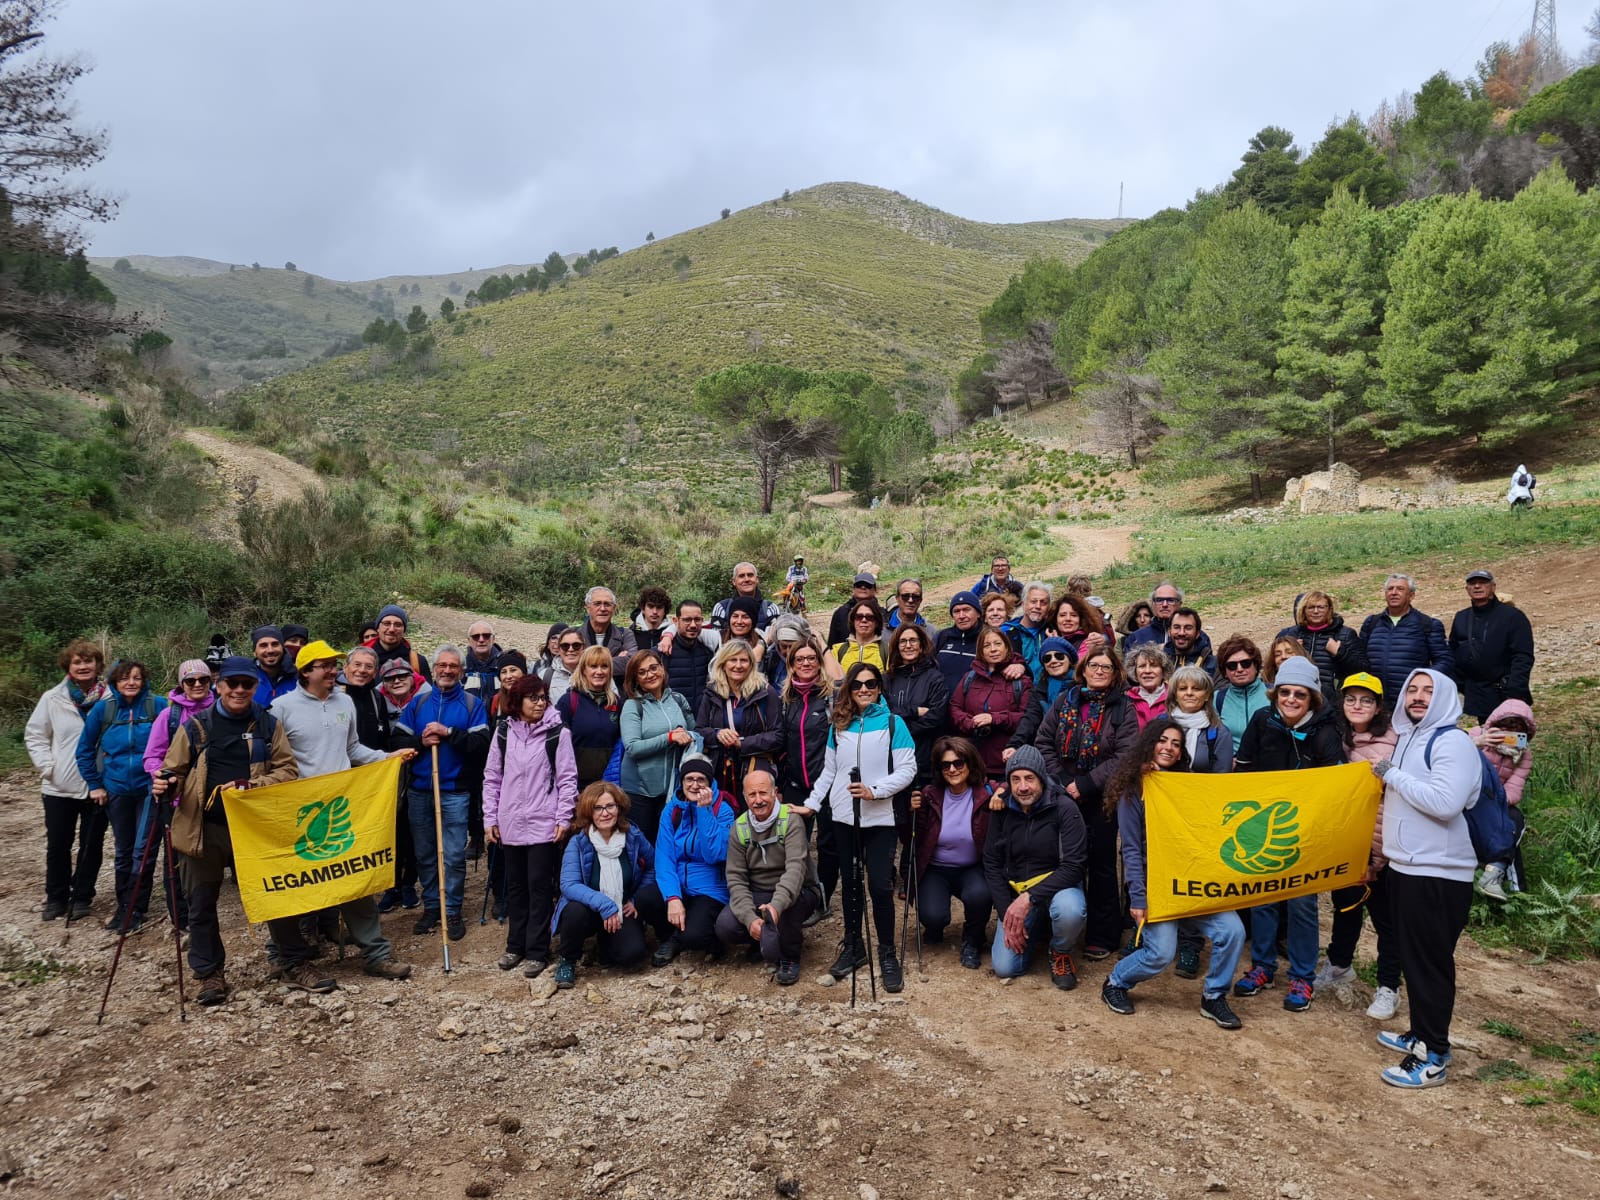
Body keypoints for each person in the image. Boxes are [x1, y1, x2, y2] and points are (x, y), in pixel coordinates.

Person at [267, 641, 414, 987]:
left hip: (342, 805)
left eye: (334, 665)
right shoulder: (281, 708)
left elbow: (352, 749)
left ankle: (376, 955)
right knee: (298, 884)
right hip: (301, 811)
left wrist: (387, 758)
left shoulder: (344, 702)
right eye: (326, 666)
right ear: (305, 671)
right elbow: (273, 759)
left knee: (355, 878)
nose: (334, 671)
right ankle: (284, 955)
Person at [155, 655, 298, 1006]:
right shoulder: (195, 727)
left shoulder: (268, 724)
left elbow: (289, 770)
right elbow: (174, 770)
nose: (238, 689)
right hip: (203, 828)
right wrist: (166, 785)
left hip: (252, 829)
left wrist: (253, 786)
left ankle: (294, 962)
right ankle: (209, 974)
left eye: (246, 684)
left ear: (254, 687)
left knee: (274, 896)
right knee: (201, 903)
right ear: (219, 686)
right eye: (231, 683)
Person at [1368, 670, 1481, 1088]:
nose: (1418, 697)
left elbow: (1446, 803)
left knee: (1430, 965)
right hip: (1408, 866)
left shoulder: (1452, 742)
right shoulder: (1412, 737)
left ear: (1446, 697)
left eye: (1428, 691)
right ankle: (1420, 1034)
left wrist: (1390, 774)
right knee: (1415, 961)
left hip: (1437, 872)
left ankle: (1433, 1056)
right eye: (1412, 690)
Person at [1100, 719, 1246, 1028]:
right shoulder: (1134, 789)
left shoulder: (1189, 786)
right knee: (1160, 954)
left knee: (1233, 931)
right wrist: (1137, 897)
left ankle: (1214, 997)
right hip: (1158, 886)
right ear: (1149, 744)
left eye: (1176, 744)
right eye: (1162, 740)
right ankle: (1116, 982)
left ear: (1182, 753)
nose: (1168, 747)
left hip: (1194, 883)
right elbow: (1131, 849)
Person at [1231, 656, 1345, 1013]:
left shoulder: (1327, 733)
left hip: (1305, 830)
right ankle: (1263, 966)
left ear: (1313, 697)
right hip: (1265, 822)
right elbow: (1244, 767)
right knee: (1262, 897)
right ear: (1275, 692)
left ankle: (1302, 975)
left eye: (1300, 693)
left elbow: (1334, 787)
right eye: (1285, 692)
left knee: (1301, 905)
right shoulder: (1263, 720)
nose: (1291, 699)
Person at [806, 662, 917, 992]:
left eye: (871, 684)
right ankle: (854, 947)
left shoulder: (894, 724)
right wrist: (812, 804)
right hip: (844, 817)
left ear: (880, 687)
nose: (864, 689)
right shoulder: (838, 725)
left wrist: (875, 791)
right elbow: (829, 772)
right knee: (851, 884)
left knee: (880, 887)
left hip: (880, 818)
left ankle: (886, 953)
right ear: (848, 690)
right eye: (857, 685)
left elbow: (908, 769)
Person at [1035, 646, 1136, 960]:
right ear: (1084, 668)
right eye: (1095, 665)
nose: (1100, 671)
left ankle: (1102, 935)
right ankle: (1055, 927)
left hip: (1102, 797)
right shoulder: (1066, 700)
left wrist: (1086, 784)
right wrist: (1064, 783)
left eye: (1107, 667)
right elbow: (1043, 742)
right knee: (1062, 859)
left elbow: (1125, 755)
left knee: (1102, 864)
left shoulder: (1123, 707)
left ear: (1115, 672)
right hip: (1063, 793)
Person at [484, 673, 578, 978]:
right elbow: (492, 778)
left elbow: (567, 779)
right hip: (510, 821)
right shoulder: (503, 732)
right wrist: (489, 817)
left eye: (543, 698)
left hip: (543, 822)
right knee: (515, 886)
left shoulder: (557, 734)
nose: (539, 704)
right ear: (518, 701)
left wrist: (563, 817)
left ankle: (537, 950)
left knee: (539, 886)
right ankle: (516, 945)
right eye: (532, 698)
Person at [1320, 672, 1402, 1018]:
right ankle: (1340, 963)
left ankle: (1389, 987)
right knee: (1346, 907)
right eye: (1351, 698)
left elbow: (1389, 799)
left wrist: (1376, 857)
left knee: (1387, 920)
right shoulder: (1342, 738)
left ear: (1379, 706)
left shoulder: (1394, 744)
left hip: (1384, 846)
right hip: (1350, 842)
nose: (1358, 705)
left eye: (1366, 700)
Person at [394, 644, 489, 942]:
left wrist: (449, 733)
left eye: (453, 666)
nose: (447, 671)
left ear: (461, 671)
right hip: (421, 790)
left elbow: (481, 745)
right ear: (433, 670)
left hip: (455, 791)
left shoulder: (473, 705)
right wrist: (422, 740)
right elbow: (398, 740)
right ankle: (432, 906)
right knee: (424, 854)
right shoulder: (417, 705)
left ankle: (452, 909)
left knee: (452, 856)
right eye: (442, 666)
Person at [982, 745, 1088, 988]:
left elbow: (1074, 866)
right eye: (1015, 779)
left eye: (1029, 778)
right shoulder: (1002, 808)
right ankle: (1035, 931)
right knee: (1004, 967)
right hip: (1015, 889)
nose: (1023, 787)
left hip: (1057, 888)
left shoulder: (1064, 807)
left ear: (1041, 778)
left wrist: (1027, 900)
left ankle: (1060, 949)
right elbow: (991, 861)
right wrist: (1006, 912)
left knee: (1070, 909)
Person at [77, 659, 168, 933]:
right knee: (123, 850)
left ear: (144, 681)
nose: (131, 683)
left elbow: (177, 742)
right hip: (116, 789)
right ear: (115, 682)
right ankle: (123, 905)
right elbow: (84, 750)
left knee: (145, 850)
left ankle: (135, 909)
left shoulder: (158, 706)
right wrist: (95, 784)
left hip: (150, 790)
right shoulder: (104, 710)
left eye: (137, 678)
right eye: (125, 678)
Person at [25, 639, 110, 922]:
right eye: (77, 662)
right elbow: (35, 734)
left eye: (88, 661)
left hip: (99, 784)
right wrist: (48, 767)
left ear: (98, 665)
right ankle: (56, 897)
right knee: (58, 844)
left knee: (91, 844)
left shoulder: (112, 697)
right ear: (68, 666)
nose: (83, 666)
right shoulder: (53, 698)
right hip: (59, 785)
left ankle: (83, 896)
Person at [717, 769, 822, 985]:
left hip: (799, 890)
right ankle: (763, 939)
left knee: (789, 908)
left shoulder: (791, 820)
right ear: (745, 798)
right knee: (725, 926)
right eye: (752, 795)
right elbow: (736, 878)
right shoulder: (739, 827)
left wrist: (775, 908)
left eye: (763, 793)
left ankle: (790, 956)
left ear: (775, 793)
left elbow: (795, 870)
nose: (758, 800)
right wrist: (750, 919)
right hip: (758, 892)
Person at [636, 752, 736, 965]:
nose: (695, 785)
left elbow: (714, 854)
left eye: (701, 779)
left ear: (710, 783)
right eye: (689, 779)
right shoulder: (672, 811)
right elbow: (664, 858)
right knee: (646, 900)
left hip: (710, 887)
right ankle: (670, 936)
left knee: (696, 936)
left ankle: (687, 937)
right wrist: (673, 897)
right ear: (682, 782)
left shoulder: (723, 810)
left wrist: (704, 811)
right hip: (679, 882)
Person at [552, 783, 655, 988]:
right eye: (598, 808)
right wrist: (604, 904)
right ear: (589, 812)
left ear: (619, 808)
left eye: (610, 806)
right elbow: (569, 884)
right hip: (590, 909)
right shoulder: (578, 842)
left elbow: (654, 867)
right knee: (573, 911)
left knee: (632, 955)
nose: (605, 813)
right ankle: (567, 960)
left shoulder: (632, 836)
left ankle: (605, 944)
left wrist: (635, 900)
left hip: (622, 906)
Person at [911, 736, 993, 968]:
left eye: (959, 763)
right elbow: (911, 839)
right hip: (936, 868)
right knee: (933, 916)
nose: (952, 769)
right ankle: (934, 927)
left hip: (971, 866)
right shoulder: (929, 794)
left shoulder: (986, 792)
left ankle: (973, 939)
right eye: (945, 765)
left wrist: (1002, 793)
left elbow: (1008, 786)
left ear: (970, 763)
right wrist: (911, 814)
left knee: (980, 895)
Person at [348, 648, 419, 914]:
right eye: (390, 678)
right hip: (368, 775)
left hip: (401, 773)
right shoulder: (358, 698)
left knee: (406, 829)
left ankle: (407, 883)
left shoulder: (419, 700)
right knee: (381, 831)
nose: (397, 681)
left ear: (413, 678)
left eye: (402, 676)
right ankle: (387, 886)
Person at [779, 637, 837, 921]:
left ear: (818, 662)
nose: (805, 663)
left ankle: (821, 902)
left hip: (825, 784)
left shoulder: (830, 697)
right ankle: (802, 894)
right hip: (793, 783)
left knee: (827, 845)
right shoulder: (786, 700)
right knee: (793, 842)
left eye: (810, 658)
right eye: (799, 659)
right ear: (791, 665)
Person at [619, 648, 696, 845]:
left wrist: (689, 737)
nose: (650, 674)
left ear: (662, 668)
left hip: (673, 789)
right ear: (635, 678)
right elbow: (633, 747)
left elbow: (694, 733)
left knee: (670, 845)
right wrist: (669, 738)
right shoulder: (632, 706)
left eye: (654, 668)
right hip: (641, 792)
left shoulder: (678, 699)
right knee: (644, 848)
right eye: (642, 672)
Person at [695, 639, 783, 806]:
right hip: (721, 769)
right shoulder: (712, 691)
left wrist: (742, 743)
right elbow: (699, 730)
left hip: (754, 768)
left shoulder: (765, 692)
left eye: (743, 660)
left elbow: (778, 736)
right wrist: (717, 734)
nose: (738, 665)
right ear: (723, 663)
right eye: (732, 660)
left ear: (751, 664)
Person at [1448, 569, 1535, 722]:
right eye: (1472, 583)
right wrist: (1462, 684)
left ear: (1493, 587)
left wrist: (1514, 690)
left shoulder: (1513, 616)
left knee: (1512, 741)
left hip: (1506, 693)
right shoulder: (1462, 617)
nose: (1477, 586)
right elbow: (1453, 651)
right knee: (1486, 740)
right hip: (1478, 695)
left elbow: (1523, 656)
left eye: (1482, 583)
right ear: (1467, 589)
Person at [1471, 699, 1536, 900]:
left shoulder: (1523, 755)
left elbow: (1515, 790)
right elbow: (1451, 759)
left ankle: (1511, 889)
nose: (1509, 734)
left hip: (1497, 803)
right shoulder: (1474, 735)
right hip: (1467, 798)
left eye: (1517, 731)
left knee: (1514, 821)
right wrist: (1479, 744)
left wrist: (1494, 802)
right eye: (1505, 727)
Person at [949, 627, 1032, 782]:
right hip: (972, 760)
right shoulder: (970, 678)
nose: (993, 649)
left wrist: (993, 719)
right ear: (981, 651)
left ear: (1007, 647)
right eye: (987, 645)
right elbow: (954, 707)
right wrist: (969, 722)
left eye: (997, 644)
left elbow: (1026, 718)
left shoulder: (1021, 682)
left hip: (1006, 762)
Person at [1358, 574, 1454, 705]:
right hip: (1376, 700)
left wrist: (1423, 681)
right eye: (1390, 589)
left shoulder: (1427, 624)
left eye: (1400, 589)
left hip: (1411, 701)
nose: (1394, 593)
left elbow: (1444, 660)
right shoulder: (1371, 623)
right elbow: (1360, 658)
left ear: (1411, 596)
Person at [882, 623, 949, 789]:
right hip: (890, 755)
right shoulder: (887, 679)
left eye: (913, 640)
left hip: (924, 756)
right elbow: (884, 712)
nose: (908, 645)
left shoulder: (934, 678)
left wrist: (903, 731)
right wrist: (915, 711)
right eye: (903, 641)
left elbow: (936, 716)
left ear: (921, 645)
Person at [1277, 591, 1367, 707]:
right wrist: (1290, 655)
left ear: (1330, 610)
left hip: (1332, 703)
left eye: (1320, 607)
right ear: (1303, 610)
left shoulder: (1345, 634)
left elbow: (1363, 669)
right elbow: (1271, 669)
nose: (1315, 611)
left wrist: (1340, 653)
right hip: (1296, 700)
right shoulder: (1290, 635)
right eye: (1311, 607)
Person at [559, 646, 622, 790]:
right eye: (593, 666)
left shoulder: (617, 703)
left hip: (608, 784)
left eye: (604, 666)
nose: (599, 671)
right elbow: (558, 747)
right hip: (575, 785)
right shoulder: (568, 702)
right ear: (583, 670)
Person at [1006, 636, 1077, 759]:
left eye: (1059, 656)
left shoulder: (1082, 686)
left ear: (1069, 659)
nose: (1053, 661)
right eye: (1047, 658)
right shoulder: (1040, 689)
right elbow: (1030, 718)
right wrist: (1014, 745)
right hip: (1048, 749)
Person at [1168, 666, 1233, 773]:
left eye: (1196, 689)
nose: (1189, 693)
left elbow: (1222, 776)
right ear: (1175, 695)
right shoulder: (1161, 725)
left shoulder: (1219, 733)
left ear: (1207, 695)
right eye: (1183, 688)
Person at [659, 599, 718, 713]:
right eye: (687, 620)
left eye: (697, 620)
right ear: (676, 621)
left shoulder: (708, 650)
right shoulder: (663, 652)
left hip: (702, 719)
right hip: (673, 720)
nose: (693, 625)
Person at [1214, 635, 1269, 754]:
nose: (1239, 669)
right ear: (1225, 671)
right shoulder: (1216, 699)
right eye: (1232, 666)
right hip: (1234, 768)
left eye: (1246, 663)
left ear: (1256, 665)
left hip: (1271, 767)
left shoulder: (1275, 694)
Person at [578, 587, 634, 680]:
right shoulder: (575, 636)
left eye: (607, 604)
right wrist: (616, 660)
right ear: (588, 608)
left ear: (614, 608)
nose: (603, 608)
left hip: (616, 693)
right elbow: (570, 663)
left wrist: (587, 662)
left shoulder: (625, 634)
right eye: (597, 604)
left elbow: (632, 663)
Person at [711, 562, 782, 636]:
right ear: (734, 581)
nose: (747, 579)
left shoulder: (770, 608)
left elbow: (773, 640)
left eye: (750, 575)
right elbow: (716, 640)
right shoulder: (722, 608)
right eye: (741, 576)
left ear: (757, 579)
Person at [1001, 582, 1053, 682]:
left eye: (1043, 602)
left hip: (1045, 693)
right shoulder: (1006, 632)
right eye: (1033, 601)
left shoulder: (1052, 632)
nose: (1038, 606)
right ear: (1023, 604)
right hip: (1016, 691)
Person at [934, 591, 984, 692]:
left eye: (966, 610)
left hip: (974, 704)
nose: (961, 616)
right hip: (941, 704)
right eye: (956, 611)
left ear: (978, 613)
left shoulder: (987, 639)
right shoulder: (942, 637)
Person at [369, 604, 432, 682]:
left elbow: (426, 693)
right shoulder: (363, 659)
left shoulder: (417, 661)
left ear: (404, 631)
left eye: (398, 625)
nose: (391, 629)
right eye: (387, 623)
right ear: (378, 628)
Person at [826, 601, 887, 675]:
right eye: (859, 617)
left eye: (869, 617)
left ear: (877, 622)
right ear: (853, 621)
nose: (864, 620)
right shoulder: (837, 651)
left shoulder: (888, 651)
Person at [1124, 582, 1184, 649]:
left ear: (1179, 604)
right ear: (1153, 604)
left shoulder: (1190, 635)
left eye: (1170, 600)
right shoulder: (1136, 638)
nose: (1164, 604)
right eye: (1159, 600)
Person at [1125, 644, 1171, 731]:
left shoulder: (1175, 697)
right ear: (1134, 672)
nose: (1147, 671)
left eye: (1154, 666)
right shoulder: (1126, 699)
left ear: (1164, 670)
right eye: (1142, 666)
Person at [1051, 593, 1111, 659]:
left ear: (1081, 619)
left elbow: (1078, 667)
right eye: (1062, 615)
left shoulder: (1089, 642)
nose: (1068, 618)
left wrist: (1057, 645)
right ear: (1055, 619)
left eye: (1074, 615)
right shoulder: (1049, 637)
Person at [827, 571, 879, 646]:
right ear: (853, 589)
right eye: (859, 585)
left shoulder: (882, 613)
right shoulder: (841, 613)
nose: (863, 587)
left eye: (867, 585)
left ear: (875, 590)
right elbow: (832, 642)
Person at [249, 625, 296, 708]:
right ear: (254, 651)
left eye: (275, 644)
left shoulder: (298, 678)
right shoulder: (246, 679)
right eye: (263, 645)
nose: (270, 650)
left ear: (283, 648)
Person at [1162, 608, 1216, 675]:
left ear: (1197, 633)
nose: (1181, 633)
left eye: (1188, 628)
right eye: (1176, 627)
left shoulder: (1213, 664)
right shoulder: (1159, 662)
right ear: (1169, 631)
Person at [462, 620, 505, 701]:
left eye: (486, 636)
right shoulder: (461, 667)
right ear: (469, 641)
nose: (481, 640)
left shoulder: (506, 665)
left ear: (493, 639)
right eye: (475, 636)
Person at [547, 629, 584, 705]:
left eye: (576, 645)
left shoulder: (597, 674)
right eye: (565, 646)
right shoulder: (545, 676)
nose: (570, 649)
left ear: (583, 648)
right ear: (559, 649)